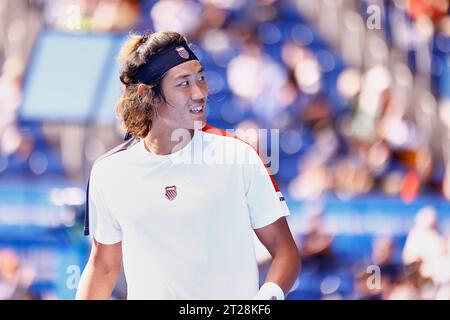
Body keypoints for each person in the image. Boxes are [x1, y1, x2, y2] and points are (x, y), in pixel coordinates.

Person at [76, 31, 300, 300]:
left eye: (201, 78)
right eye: (184, 83)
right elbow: (102, 267)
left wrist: (265, 300)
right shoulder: (108, 173)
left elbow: (285, 252)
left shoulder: (238, 155)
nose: (199, 93)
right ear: (148, 94)